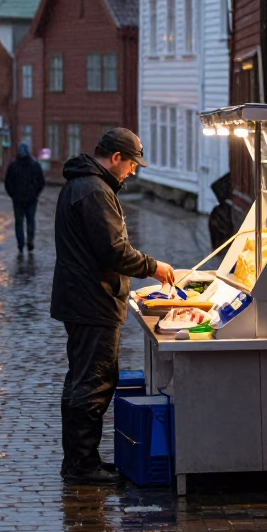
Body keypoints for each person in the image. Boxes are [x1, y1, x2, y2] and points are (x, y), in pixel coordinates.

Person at [51, 127, 174, 485]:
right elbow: (114, 251)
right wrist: (154, 267)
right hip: (93, 300)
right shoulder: (94, 191)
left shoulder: (85, 185)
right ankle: (81, 465)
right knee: (93, 383)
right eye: (132, 164)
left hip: (82, 298)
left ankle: (80, 459)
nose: (133, 171)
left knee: (82, 380)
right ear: (116, 158)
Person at [4, 142, 45, 254]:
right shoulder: (34, 165)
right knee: (30, 221)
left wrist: (13, 194)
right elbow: (41, 182)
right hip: (31, 199)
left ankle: (20, 244)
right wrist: (35, 193)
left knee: (19, 222)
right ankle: (30, 240)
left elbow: (7, 183)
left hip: (18, 200)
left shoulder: (13, 165)